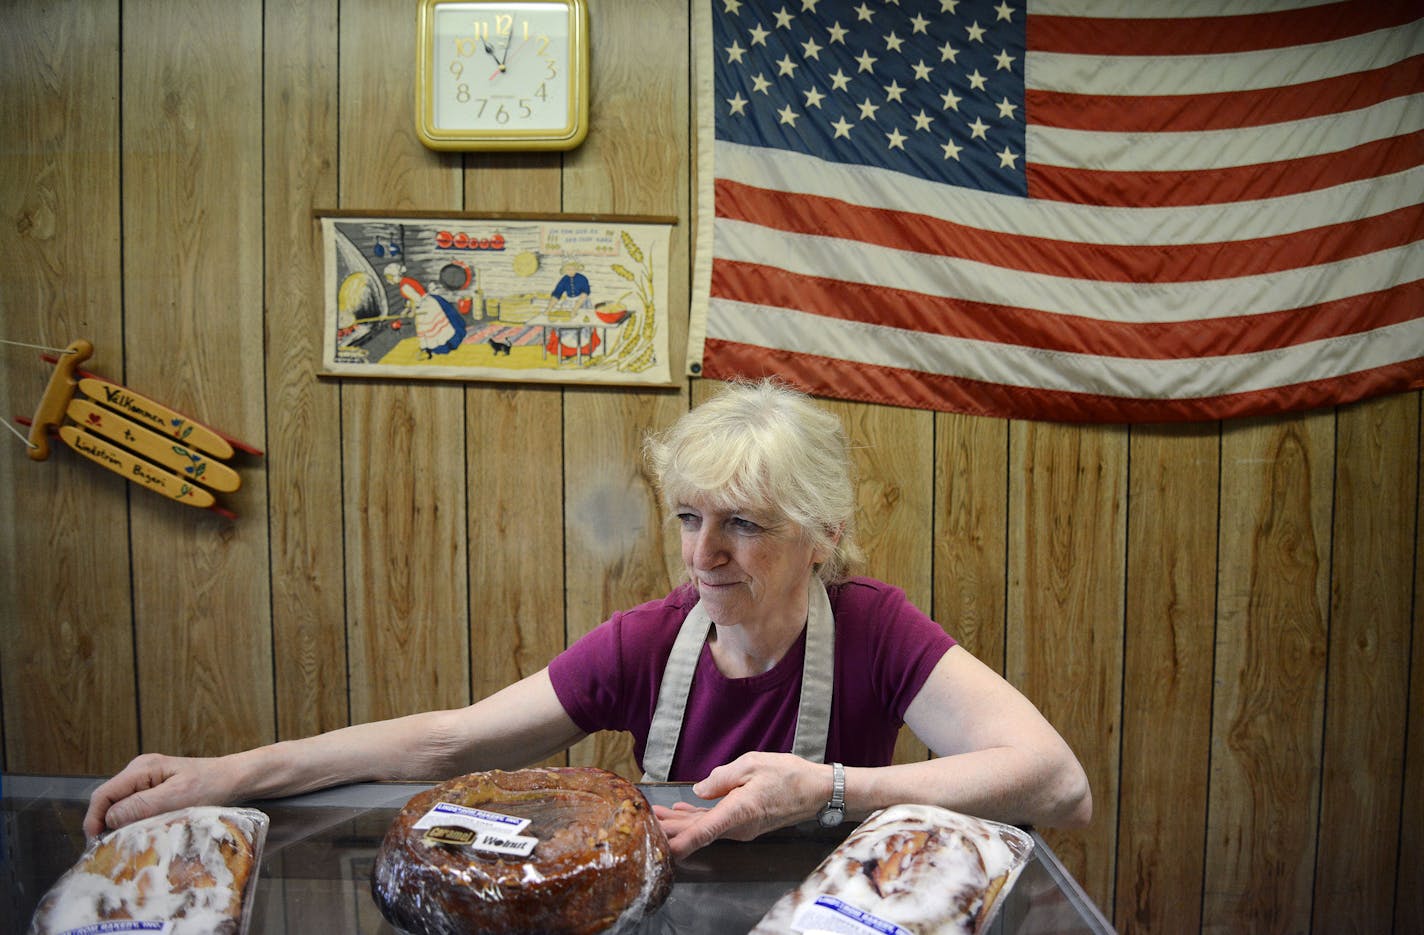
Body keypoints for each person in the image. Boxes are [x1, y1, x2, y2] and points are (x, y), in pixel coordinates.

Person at [83, 379, 1091, 860]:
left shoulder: (875, 629)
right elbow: (446, 737)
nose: (701, 557)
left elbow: (1057, 781)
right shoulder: (649, 639)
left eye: (743, 525)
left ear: (825, 532)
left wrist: (826, 786)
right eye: (688, 518)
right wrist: (226, 773)